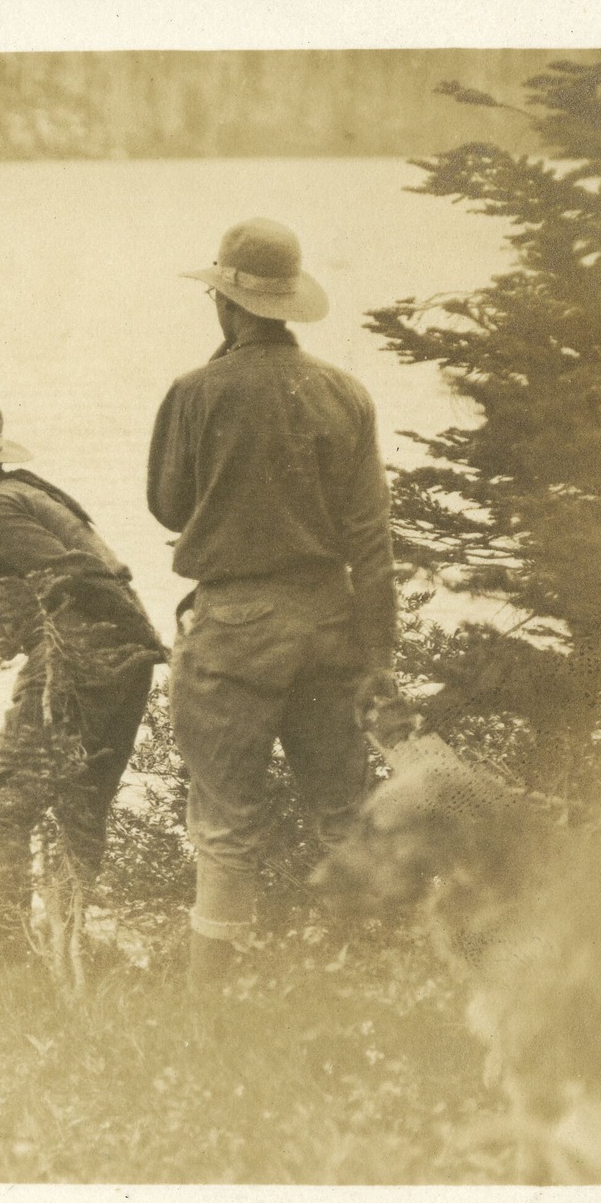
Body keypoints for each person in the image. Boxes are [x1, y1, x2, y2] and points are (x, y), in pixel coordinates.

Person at [146, 218, 397, 986]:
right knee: (342, 812)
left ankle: (207, 1009)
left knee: (224, 826)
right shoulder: (343, 393)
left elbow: (167, 505)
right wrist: (378, 658)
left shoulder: (194, 392)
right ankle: (374, 978)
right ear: (288, 304)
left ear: (224, 303)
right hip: (330, 623)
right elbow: (371, 543)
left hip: (233, 632)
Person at [0, 390, 166, 964]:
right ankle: (69, 944)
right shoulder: (22, 492)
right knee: (80, 807)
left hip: (79, 665)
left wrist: (53, 648)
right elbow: (55, 581)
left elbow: (74, 575)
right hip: (119, 665)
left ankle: (6, 953)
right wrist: (18, 631)